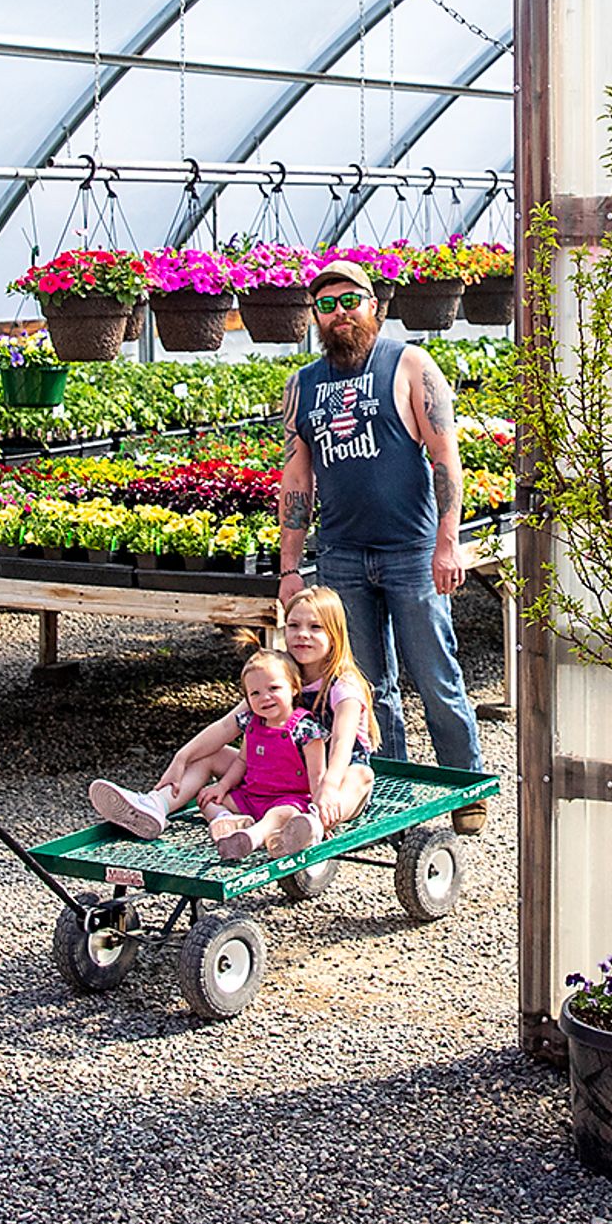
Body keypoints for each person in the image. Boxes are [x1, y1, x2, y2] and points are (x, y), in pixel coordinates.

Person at [276, 259, 488, 830]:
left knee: (434, 673)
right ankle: (390, 790)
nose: (340, 313)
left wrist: (449, 543)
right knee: (364, 689)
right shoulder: (304, 386)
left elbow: (446, 458)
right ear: (315, 316)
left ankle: (465, 786)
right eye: (327, 304)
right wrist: (290, 567)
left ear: (375, 306)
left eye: (351, 301)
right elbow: (297, 479)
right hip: (342, 554)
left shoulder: (409, 364)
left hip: (411, 551)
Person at [92, 588, 377, 841]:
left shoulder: (343, 685)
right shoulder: (280, 675)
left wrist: (326, 787)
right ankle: (156, 805)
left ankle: (311, 825)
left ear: (335, 634)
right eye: (294, 625)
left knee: (359, 775)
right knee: (209, 754)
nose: (302, 634)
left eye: (315, 627)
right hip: (284, 772)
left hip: (327, 777)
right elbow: (229, 725)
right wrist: (183, 757)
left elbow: (341, 742)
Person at [91, 649, 329, 861]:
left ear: (294, 687)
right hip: (252, 795)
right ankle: (223, 821)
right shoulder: (253, 723)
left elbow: (317, 775)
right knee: (208, 801)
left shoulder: (305, 729)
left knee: (281, 815)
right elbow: (243, 762)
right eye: (254, 694)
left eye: (274, 689)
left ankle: (252, 837)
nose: (264, 698)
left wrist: (319, 812)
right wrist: (222, 787)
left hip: (287, 798)